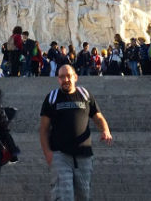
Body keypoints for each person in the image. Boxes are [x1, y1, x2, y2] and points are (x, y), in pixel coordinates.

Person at [39, 65, 114, 201]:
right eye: (62, 77)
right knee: (64, 196)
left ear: (75, 77)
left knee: (84, 196)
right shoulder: (52, 98)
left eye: (68, 76)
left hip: (84, 155)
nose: (65, 79)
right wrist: (48, 153)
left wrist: (105, 130)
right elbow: (43, 129)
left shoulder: (85, 95)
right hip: (60, 155)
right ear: (58, 79)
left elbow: (98, 117)